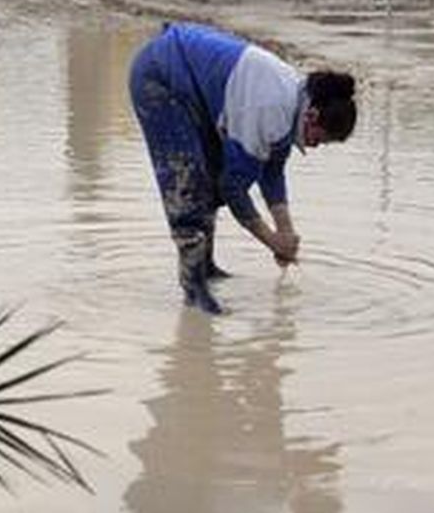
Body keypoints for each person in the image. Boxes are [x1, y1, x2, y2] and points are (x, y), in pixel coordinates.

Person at [128, 21, 357, 314]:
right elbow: (233, 188)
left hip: (190, 80)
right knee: (188, 183)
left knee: (208, 176)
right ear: (312, 116)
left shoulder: (292, 100)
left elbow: (271, 168)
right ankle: (193, 289)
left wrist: (286, 230)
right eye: (320, 140)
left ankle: (206, 267)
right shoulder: (272, 107)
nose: (316, 146)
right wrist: (272, 241)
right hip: (160, 76)